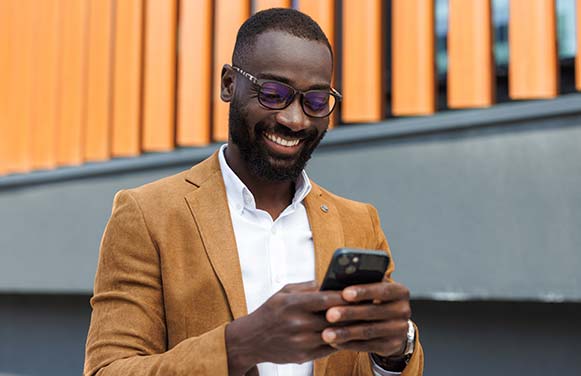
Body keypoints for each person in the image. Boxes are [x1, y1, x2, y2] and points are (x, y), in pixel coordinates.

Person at [84, 8, 423, 376]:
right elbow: (108, 370)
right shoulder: (148, 215)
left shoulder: (359, 222)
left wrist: (394, 350)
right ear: (229, 84)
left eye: (315, 101)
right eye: (273, 93)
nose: (295, 120)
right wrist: (240, 345)